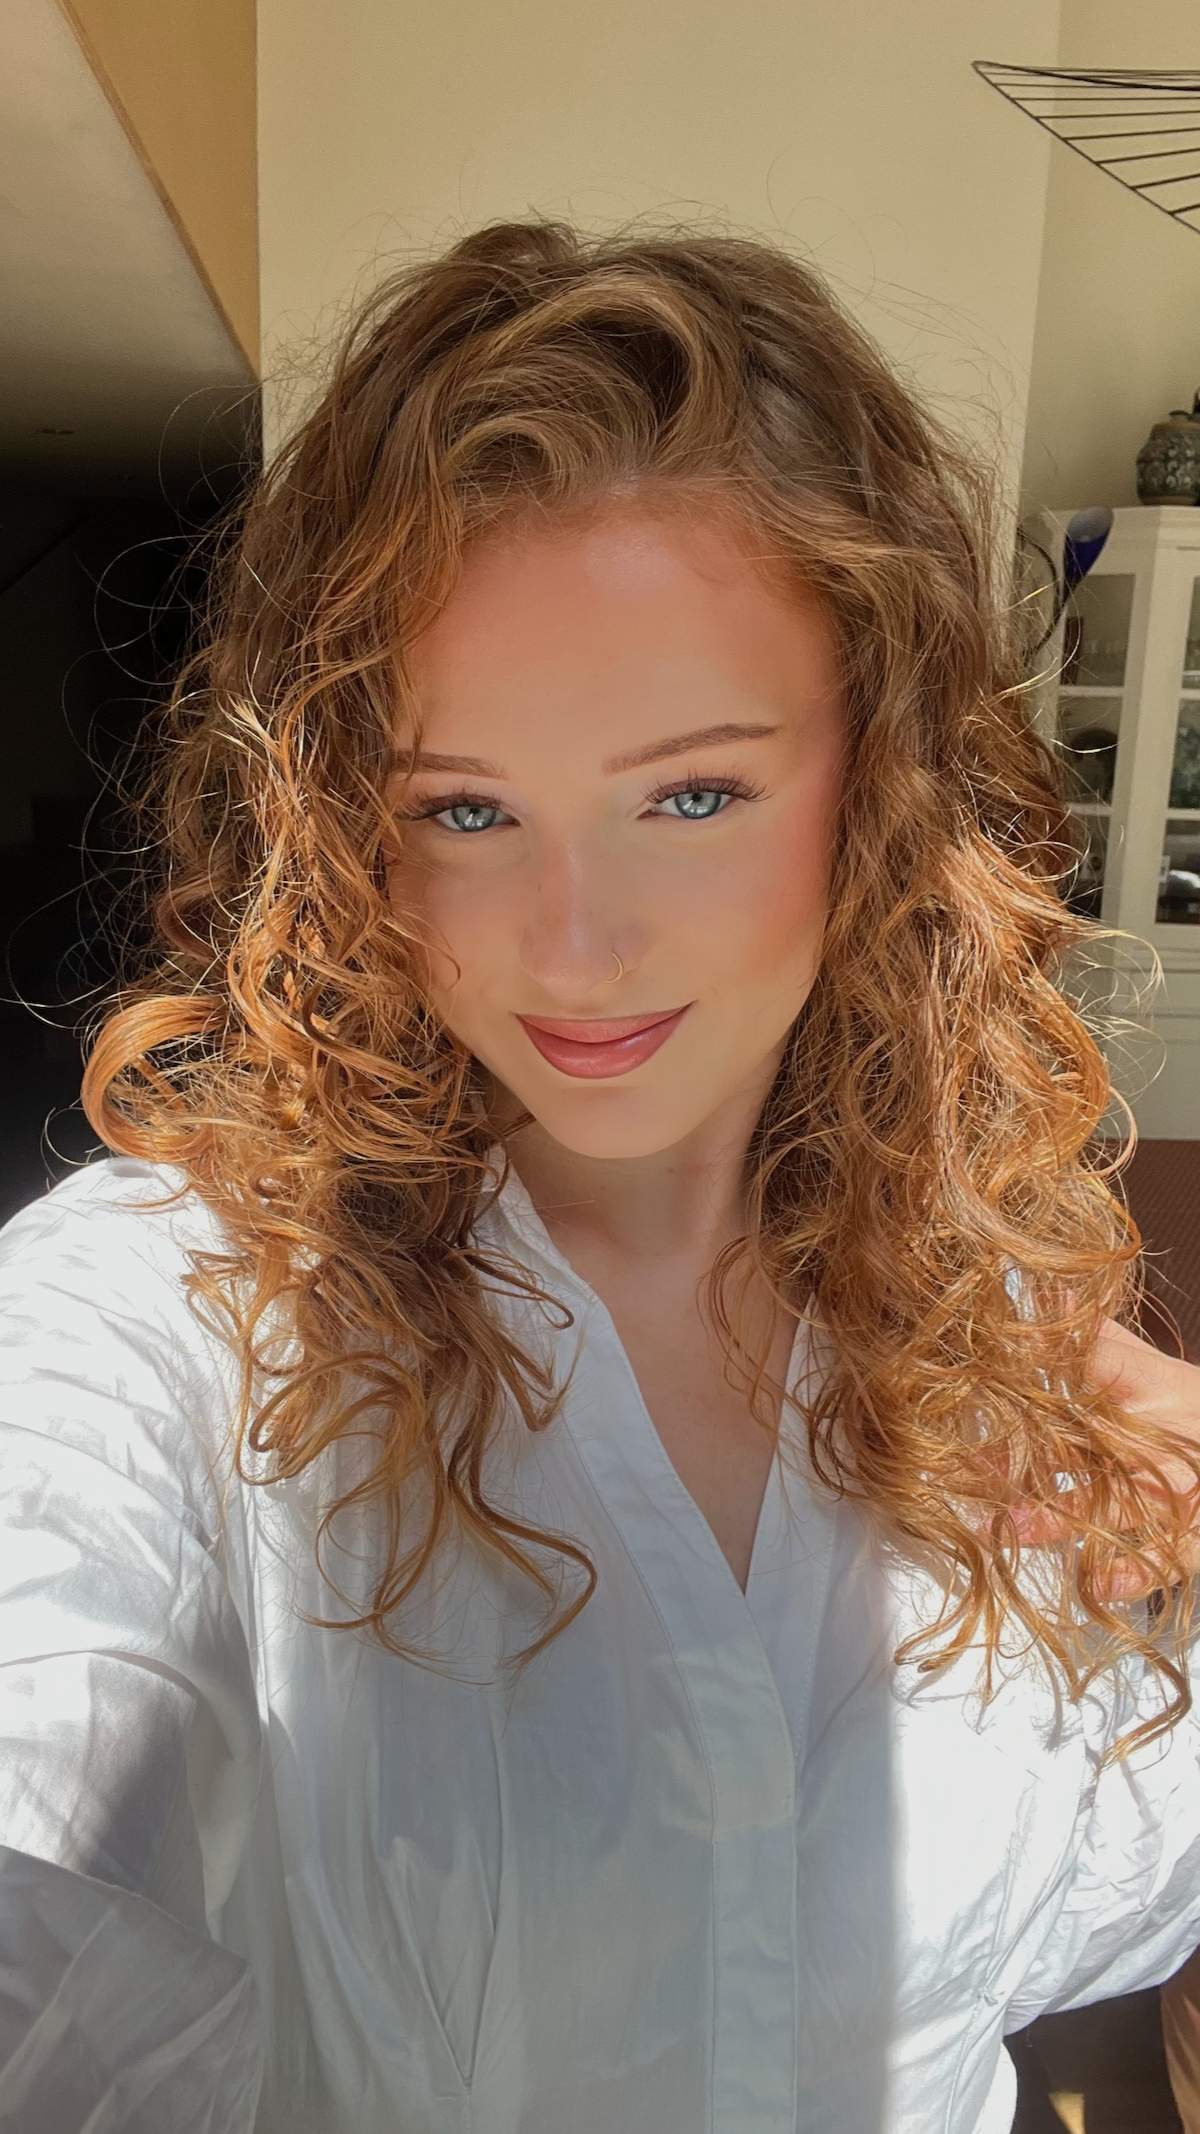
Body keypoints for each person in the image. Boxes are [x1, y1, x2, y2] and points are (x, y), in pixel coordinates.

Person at [2, 219, 1200, 2134]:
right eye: (465, 809)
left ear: (873, 775)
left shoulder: (979, 1308)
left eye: (692, 794)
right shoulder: (182, 1314)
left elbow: (1067, 1919)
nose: (571, 947)